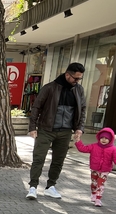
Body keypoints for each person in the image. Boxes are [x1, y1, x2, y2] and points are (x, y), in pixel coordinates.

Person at [26, 63, 87, 200]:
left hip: (65, 132)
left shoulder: (79, 90)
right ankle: (33, 187)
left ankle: (50, 187)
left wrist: (79, 128)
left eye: (79, 79)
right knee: (39, 159)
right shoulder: (49, 88)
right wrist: (32, 127)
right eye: (75, 78)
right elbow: (36, 107)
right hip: (46, 129)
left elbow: (82, 110)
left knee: (58, 160)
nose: (77, 81)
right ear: (67, 75)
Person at [74, 127, 116, 207]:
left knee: (100, 184)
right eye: (102, 138)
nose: (104, 140)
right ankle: (93, 194)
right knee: (94, 183)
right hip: (94, 168)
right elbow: (83, 149)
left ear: (110, 139)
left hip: (105, 170)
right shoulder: (94, 146)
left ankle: (98, 199)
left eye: (106, 138)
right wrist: (78, 141)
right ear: (99, 138)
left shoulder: (113, 149)